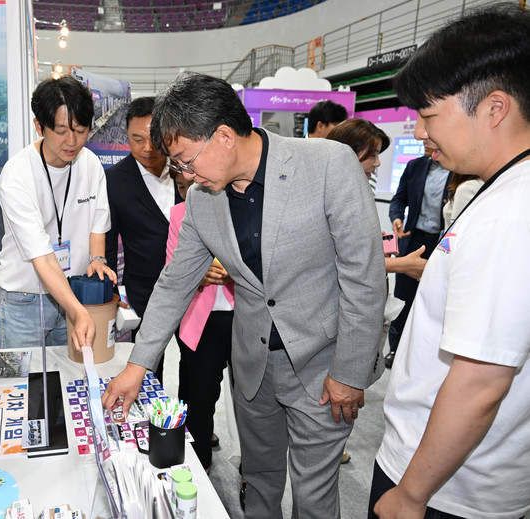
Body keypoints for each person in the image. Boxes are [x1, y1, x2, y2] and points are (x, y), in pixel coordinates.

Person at [102, 72, 386, 519]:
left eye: (185, 161)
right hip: (253, 368)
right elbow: (174, 283)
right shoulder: (203, 200)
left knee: (314, 495)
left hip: (323, 367)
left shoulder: (328, 164)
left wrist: (349, 373)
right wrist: (137, 366)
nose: (185, 175)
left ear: (223, 136)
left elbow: (364, 276)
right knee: (258, 479)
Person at [370, 4, 530, 518]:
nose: (419, 131)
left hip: (444, 487)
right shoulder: (502, 191)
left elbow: (480, 383)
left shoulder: (509, 213)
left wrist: (411, 495)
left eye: (429, 114)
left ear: (494, 108)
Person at [0, 75, 116, 349]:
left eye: (80, 130)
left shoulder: (91, 165)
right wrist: (77, 311)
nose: (72, 141)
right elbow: (43, 258)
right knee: (25, 375)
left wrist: (97, 259)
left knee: (72, 371)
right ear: (39, 126)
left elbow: (97, 225)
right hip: (26, 299)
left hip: (75, 291)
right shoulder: (17, 175)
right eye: (61, 131)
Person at [105, 96, 182, 383]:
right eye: (137, 139)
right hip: (144, 292)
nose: (147, 148)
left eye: (154, 139)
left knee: (198, 373)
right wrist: (112, 293)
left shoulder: (188, 169)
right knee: (147, 372)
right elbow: (108, 245)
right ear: (126, 136)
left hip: (196, 291)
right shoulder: (114, 180)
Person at [167, 170, 233, 471]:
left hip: (246, 317)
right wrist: (196, 274)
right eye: (181, 187)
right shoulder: (178, 214)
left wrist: (235, 271)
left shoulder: (237, 208)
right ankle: (199, 462)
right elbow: (172, 269)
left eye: (192, 185)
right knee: (198, 396)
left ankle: (251, 473)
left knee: (250, 403)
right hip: (199, 321)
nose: (188, 193)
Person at [327, 118, 427, 282]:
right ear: (347, 152)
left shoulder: (352, 190)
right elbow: (339, 259)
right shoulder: (328, 197)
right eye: (373, 155)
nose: (378, 163)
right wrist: (402, 265)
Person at [386, 142, 452, 369]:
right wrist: (396, 217)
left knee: (433, 300)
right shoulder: (415, 166)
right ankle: (395, 350)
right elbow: (399, 199)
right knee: (403, 299)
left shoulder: (459, 171)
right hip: (413, 240)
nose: (424, 140)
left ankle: (424, 355)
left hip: (442, 244)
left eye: (429, 137)